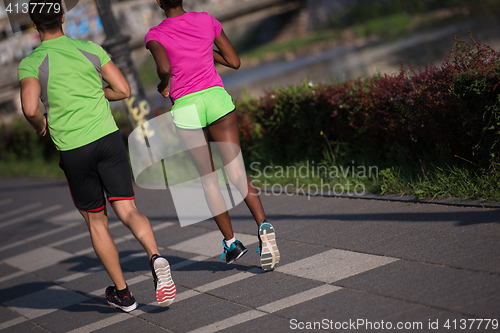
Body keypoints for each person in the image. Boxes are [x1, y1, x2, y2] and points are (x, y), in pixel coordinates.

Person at [18, 0, 175, 312]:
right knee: (128, 209)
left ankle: (124, 294)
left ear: (35, 26)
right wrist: (96, 93)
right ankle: (156, 257)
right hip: (107, 139)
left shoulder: (31, 62)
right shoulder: (89, 48)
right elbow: (123, 89)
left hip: (74, 148)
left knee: (96, 221)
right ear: (63, 17)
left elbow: (31, 108)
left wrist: (41, 125)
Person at [145, 0, 280, 270]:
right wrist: (205, 50)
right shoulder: (206, 20)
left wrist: (164, 85)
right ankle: (264, 225)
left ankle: (231, 243)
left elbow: (164, 69)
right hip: (217, 101)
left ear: (158, 2)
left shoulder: (155, 35)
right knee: (237, 172)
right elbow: (234, 61)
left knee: (208, 180)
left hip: (186, 108)